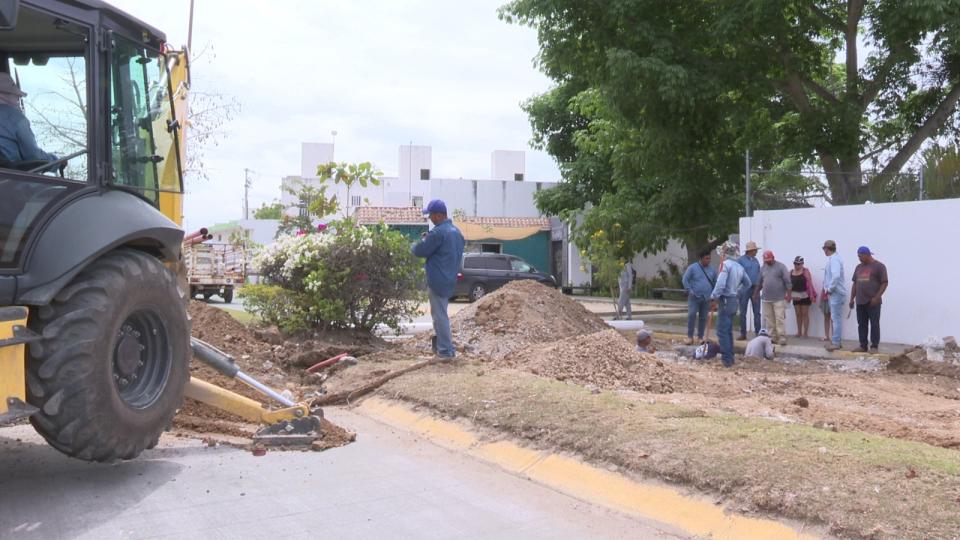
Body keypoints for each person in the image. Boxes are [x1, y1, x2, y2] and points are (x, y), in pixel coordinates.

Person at [412, 199, 465, 359]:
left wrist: (422, 240)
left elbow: (419, 250)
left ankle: (445, 351)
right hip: (449, 279)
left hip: (437, 280)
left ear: (438, 215)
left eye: (430, 215)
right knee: (441, 313)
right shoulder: (457, 233)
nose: (429, 218)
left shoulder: (438, 233)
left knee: (439, 316)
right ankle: (445, 348)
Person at [0, 72, 57, 165]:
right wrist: (56, 161)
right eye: (16, 96)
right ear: (6, 95)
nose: (18, 99)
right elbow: (33, 155)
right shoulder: (16, 119)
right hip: (10, 177)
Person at [710, 241, 752, 367]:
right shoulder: (739, 267)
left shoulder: (726, 265)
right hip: (734, 300)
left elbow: (720, 284)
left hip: (726, 299)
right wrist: (738, 293)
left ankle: (727, 359)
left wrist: (714, 297)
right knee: (728, 330)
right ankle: (730, 356)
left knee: (722, 331)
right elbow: (748, 283)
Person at [849, 246, 888, 353]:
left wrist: (877, 297)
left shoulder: (879, 266)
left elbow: (884, 283)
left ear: (867, 255)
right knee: (861, 324)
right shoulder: (858, 267)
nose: (859, 258)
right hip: (860, 301)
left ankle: (874, 346)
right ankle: (863, 346)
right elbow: (855, 283)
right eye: (858, 256)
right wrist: (852, 299)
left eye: (860, 256)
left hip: (873, 302)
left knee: (874, 324)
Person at [754, 250, 791, 346]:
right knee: (769, 319)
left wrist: (789, 294)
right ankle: (772, 337)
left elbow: (787, 281)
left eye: (769, 260)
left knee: (779, 318)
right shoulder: (763, 268)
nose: (768, 262)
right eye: (766, 260)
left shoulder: (781, 267)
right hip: (766, 298)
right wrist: (756, 293)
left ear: (773, 258)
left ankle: (782, 337)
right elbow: (759, 282)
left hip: (779, 298)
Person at [681, 249, 716, 345]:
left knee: (703, 317)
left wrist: (714, 297)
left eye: (709, 258)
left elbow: (715, 283)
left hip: (707, 298)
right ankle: (689, 337)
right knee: (692, 315)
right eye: (706, 258)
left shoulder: (712, 270)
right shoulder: (693, 268)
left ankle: (700, 337)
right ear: (701, 259)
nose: (708, 260)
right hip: (694, 297)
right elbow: (685, 279)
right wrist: (689, 290)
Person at [821, 240, 847, 351]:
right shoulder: (834, 259)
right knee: (835, 318)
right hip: (836, 292)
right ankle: (836, 341)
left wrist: (829, 289)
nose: (824, 251)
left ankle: (836, 342)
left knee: (835, 318)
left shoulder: (834, 260)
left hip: (836, 292)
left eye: (824, 249)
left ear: (827, 249)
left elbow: (835, 276)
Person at [737, 241, 762, 340]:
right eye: (755, 250)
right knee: (743, 312)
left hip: (755, 288)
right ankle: (743, 333)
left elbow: (759, 273)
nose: (756, 251)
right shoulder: (740, 260)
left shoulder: (756, 260)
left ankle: (758, 332)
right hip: (744, 288)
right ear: (750, 251)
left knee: (757, 312)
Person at [790, 256, 818, 338]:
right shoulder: (791, 272)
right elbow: (788, 284)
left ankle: (805, 332)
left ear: (802, 264)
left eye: (798, 264)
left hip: (805, 295)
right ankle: (799, 332)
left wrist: (812, 295)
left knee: (805, 314)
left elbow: (810, 283)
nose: (796, 265)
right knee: (798, 314)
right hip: (795, 295)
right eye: (795, 263)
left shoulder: (805, 271)